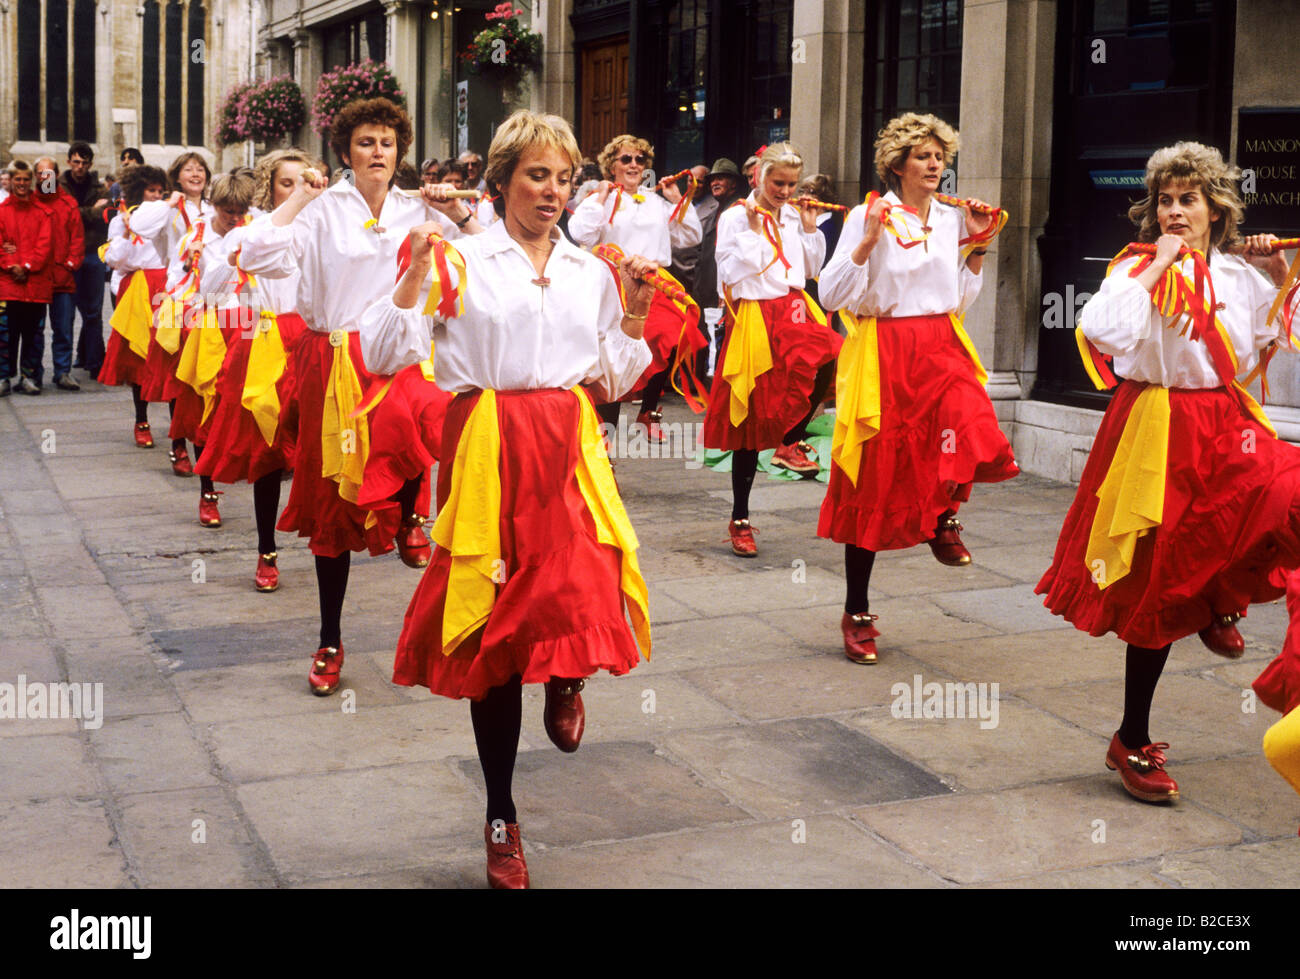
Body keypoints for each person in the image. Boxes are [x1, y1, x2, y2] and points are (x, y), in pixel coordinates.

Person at [359, 109, 655, 889]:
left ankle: (566, 675)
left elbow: (616, 375)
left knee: (580, 577)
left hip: (565, 436)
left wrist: (634, 307)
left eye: (563, 177)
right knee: (491, 635)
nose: (553, 191)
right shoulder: (459, 259)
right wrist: (416, 272)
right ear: (500, 181)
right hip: (486, 442)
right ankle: (501, 814)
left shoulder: (590, 269)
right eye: (536, 174)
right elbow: (386, 350)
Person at [1036, 141, 1300, 804]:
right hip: (1157, 429)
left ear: (1217, 208)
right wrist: (1157, 266)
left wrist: (1278, 274)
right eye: (1166, 199)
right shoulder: (1134, 267)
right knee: (1157, 590)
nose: (1175, 210)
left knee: (1286, 501)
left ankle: (1219, 598)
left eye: (1189, 198)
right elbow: (1100, 328)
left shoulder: (1240, 275)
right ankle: (1131, 737)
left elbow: (1273, 346)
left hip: (1224, 423)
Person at [238, 96, 478, 697]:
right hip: (334, 357)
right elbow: (257, 254)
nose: (378, 152)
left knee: (422, 422)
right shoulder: (322, 210)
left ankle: (410, 514)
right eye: (366, 142)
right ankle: (329, 637)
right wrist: (299, 197)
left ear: (401, 153)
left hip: (399, 356)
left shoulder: (415, 207)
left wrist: (460, 215)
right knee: (335, 503)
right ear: (346, 151)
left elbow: (489, 257)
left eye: (388, 143)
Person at [817, 113, 1018, 665]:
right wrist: (867, 241)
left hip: (941, 344)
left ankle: (943, 519)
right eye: (924, 156)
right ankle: (857, 610)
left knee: (973, 426)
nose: (935, 165)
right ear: (897, 164)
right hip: (886, 352)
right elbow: (832, 295)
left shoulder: (951, 220)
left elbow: (958, 299)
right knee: (876, 481)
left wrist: (978, 246)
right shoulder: (868, 212)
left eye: (940, 157)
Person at [703, 141, 842, 556]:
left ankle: (790, 440)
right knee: (748, 420)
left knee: (832, 356)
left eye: (791, 183)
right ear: (759, 177)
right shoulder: (734, 217)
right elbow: (728, 271)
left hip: (795, 307)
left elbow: (811, 269)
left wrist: (811, 227)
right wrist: (754, 229)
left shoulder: (792, 215)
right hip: (755, 314)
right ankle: (740, 517)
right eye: (778, 182)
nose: (784, 191)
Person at [192, 149, 317, 591]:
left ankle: (331, 536)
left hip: (309, 340)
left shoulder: (323, 229)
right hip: (261, 340)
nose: (301, 190)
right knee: (266, 453)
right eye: (289, 183)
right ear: (270, 188)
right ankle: (267, 550)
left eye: (306, 181)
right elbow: (207, 290)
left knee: (321, 446)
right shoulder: (252, 233)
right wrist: (229, 263)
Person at [568, 135, 704, 440]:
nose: (633, 165)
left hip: (654, 281)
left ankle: (649, 411)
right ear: (611, 165)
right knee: (613, 354)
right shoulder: (601, 199)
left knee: (668, 337)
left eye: (640, 160)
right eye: (626, 159)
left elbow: (690, 237)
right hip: (616, 283)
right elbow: (581, 234)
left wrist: (675, 199)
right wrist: (601, 197)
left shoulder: (655, 201)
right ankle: (605, 438)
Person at [166, 169, 260, 530]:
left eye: (240, 210)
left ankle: (255, 469)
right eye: (227, 210)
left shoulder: (255, 232)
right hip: (210, 327)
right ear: (215, 205)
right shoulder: (196, 238)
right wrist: (186, 305)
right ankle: (207, 492)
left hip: (249, 329)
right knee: (205, 407)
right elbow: (177, 280)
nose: (234, 217)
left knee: (243, 405)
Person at [130, 151, 214, 477]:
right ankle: (178, 443)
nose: (195, 173)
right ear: (177, 176)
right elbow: (139, 225)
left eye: (200, 169)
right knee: (179, 376)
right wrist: (167, 203)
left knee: (206, 375)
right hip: (179, 301)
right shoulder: (168, 210)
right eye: (188, 169)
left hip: (211, 300)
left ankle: (206, 443)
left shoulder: (214, 207)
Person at [99, 164, 170, 445]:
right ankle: (142, 420)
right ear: (139, 191)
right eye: (150, 190)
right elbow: (116, 260)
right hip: (138, 288)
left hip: (166, 288)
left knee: (169, 353)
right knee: (138, 356)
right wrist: (128, 233)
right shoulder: (123, 219)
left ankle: (178, 425)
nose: (155, 196)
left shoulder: (168, 217)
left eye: (159, 191)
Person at [0, 161, 53, 395]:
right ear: (10, 181)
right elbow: (2, 245)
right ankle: (3, 376)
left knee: (33, 335)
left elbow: (44, 245)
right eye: (17, 179)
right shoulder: (2, 211)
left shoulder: (42, 212)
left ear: (31, 181)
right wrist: (11, 264)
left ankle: (29, 376)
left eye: (25, 179)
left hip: (35, 284)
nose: (21, 184)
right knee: (4, 335)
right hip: (7, 284)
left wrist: (27, 265)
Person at [34, 157, 86, 390]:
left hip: (62, 276)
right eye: (41, 173)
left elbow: (77, 238)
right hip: (35, 278)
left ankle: (62, 371)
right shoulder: (28, 203)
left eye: (50, 173)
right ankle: (32, 372)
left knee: (63, 328)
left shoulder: (68, 204)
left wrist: (71, 263)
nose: (46, 178)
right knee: (34, 329)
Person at [60, 141, 110, 379]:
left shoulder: (100, 187)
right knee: (66, 313)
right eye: (76, 161)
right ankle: (62, 368)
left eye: (84, 163)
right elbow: (57, 214)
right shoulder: (54, 182)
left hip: (92, 253)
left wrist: (78, 212)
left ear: (90, 164)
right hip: (66, 254)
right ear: (69, 161)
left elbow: (106, 215)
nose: (80, 167)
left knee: (94, 312)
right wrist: (89, 211)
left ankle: (94, 361)